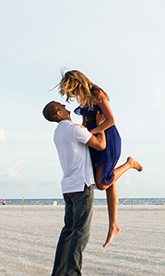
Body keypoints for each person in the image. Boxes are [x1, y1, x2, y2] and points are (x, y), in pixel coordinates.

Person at [58, 70, 143, 248]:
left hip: (108, 139)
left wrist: (91, 132)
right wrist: (81, 130)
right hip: (94, 138)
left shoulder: (97, 94)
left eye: (72, 90)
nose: (72, 95)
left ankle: (129, 164)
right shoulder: (83, 99)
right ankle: (113, 225)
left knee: (103, 183)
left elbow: (110, 120)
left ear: (78, 83)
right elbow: (85, 121)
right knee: (108, 181)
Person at [42, 101, 108, 276]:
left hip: (68, 186)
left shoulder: (58, 132)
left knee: (68, 230)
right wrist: (100, 125)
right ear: (58, 112)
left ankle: (58, 275)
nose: (65, 104)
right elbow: (101, 145)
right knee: (81, 232)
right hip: (82, 184)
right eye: (61, 105)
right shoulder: (73, 130)